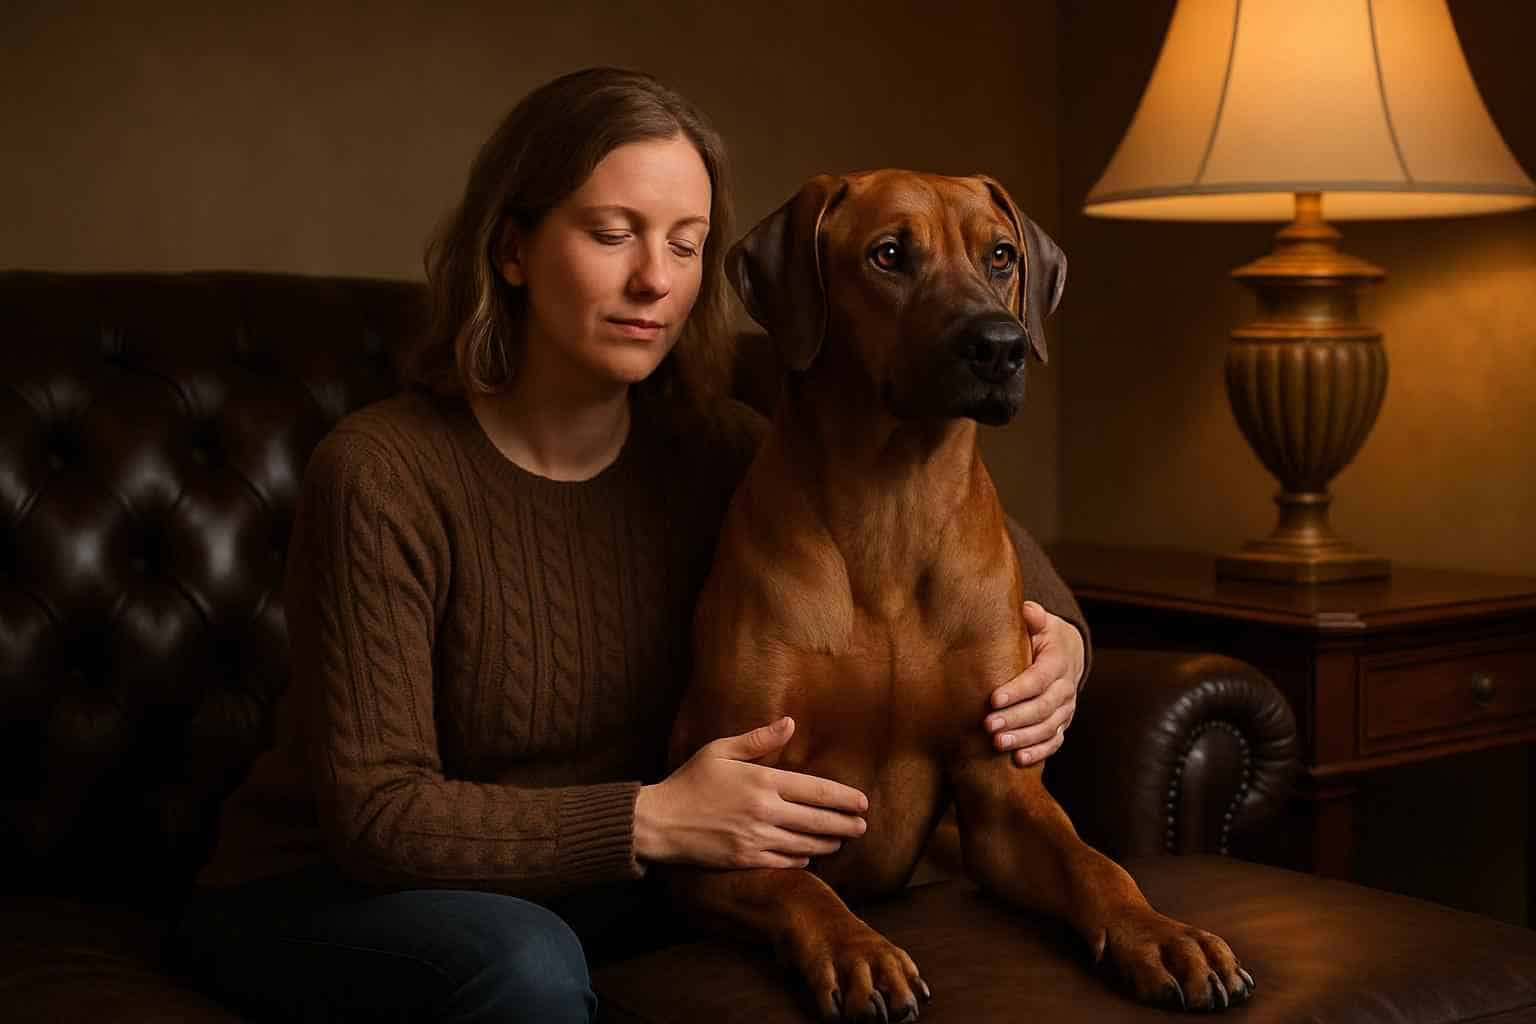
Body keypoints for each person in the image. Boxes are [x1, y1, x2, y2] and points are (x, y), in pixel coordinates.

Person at [171, 66, 1089, 1023]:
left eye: (686, 246)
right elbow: (377, 816)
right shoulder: (381, 474)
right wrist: (653, 818)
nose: (655, 278)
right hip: (320, 895)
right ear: (514, 248)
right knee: (523, 959)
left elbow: (967, 529)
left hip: (601, 891)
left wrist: (1064, 645)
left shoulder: (722, 450)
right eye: (613, 235)